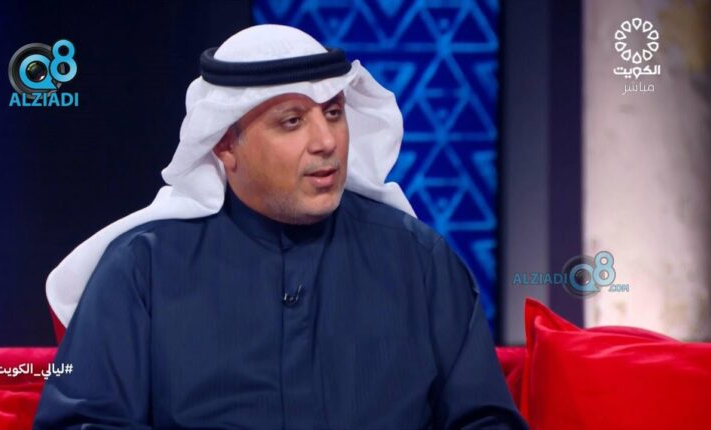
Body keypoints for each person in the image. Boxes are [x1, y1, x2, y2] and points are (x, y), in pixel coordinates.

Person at [33, 24, 528, 430]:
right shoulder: (143, 268)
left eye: (333, 114)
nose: (326, 141)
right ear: (225, 145)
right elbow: (83, 421)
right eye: (292, 121)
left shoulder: (420, 261)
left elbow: (483, 420)